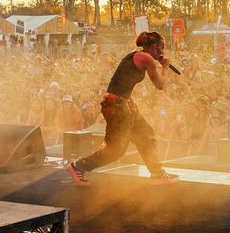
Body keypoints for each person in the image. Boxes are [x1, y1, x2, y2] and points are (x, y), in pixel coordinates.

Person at [66, 32, 179, 186]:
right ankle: (78, 166)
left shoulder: (137, 55)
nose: (162, 52)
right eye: (161, 48)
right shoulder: (146, 58)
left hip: (124, 104)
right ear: (154, 47)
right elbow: (160, 85)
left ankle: (157, 173)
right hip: (116, 106)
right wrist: (164, 67)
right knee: (116, 149)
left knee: (145, 134)